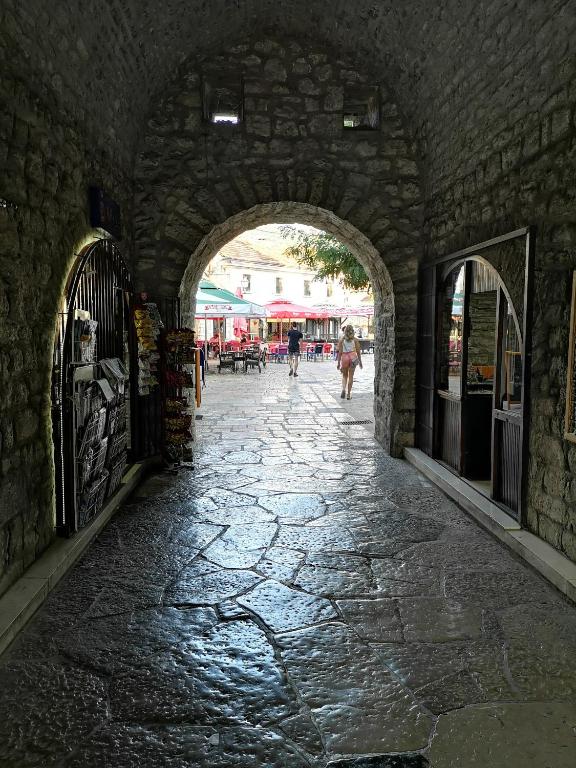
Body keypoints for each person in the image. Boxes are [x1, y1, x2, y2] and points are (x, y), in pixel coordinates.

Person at [336, 324, 363, 399]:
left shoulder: (342, 340)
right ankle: (348, 394)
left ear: (345, 331)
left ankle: (343, 389)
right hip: (353, 357)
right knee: (351, 377)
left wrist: (338, 363)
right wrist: (360, 362)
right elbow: (358, 352)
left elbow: (340, 352)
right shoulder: (355, 340)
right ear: (352, 331)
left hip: (344, 358)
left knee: (344, 375)